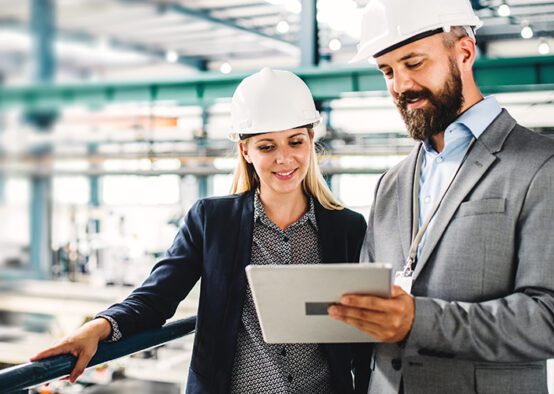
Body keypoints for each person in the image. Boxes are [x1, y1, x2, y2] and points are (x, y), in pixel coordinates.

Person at [32, 68, 371, 394]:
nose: (284, 158)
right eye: (267, 146)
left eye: (295, 142)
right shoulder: (212, 221)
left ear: (311, 140)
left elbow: (362, 323)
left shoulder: (347, 227)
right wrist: (98, 326)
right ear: (245, 150)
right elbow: (157, 297)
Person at [326, 1, 554, 393]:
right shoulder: (391, 182)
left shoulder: (548, 168)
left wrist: (419, 320)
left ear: (464, 52)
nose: (400, 85)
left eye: (414, 63)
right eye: (387, 71)